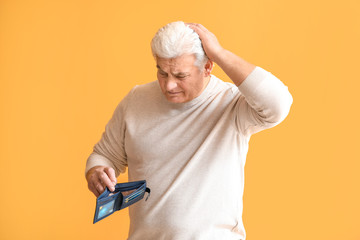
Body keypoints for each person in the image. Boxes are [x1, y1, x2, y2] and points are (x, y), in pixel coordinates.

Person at [85, 21, 293, 240]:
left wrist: (219, 53)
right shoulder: (136, 100)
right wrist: (96, 172)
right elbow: (104, 155)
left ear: (207, 67)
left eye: (180, 76)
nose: (169, 86)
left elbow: (278, 104)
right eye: (162, 73)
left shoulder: (231, 104)